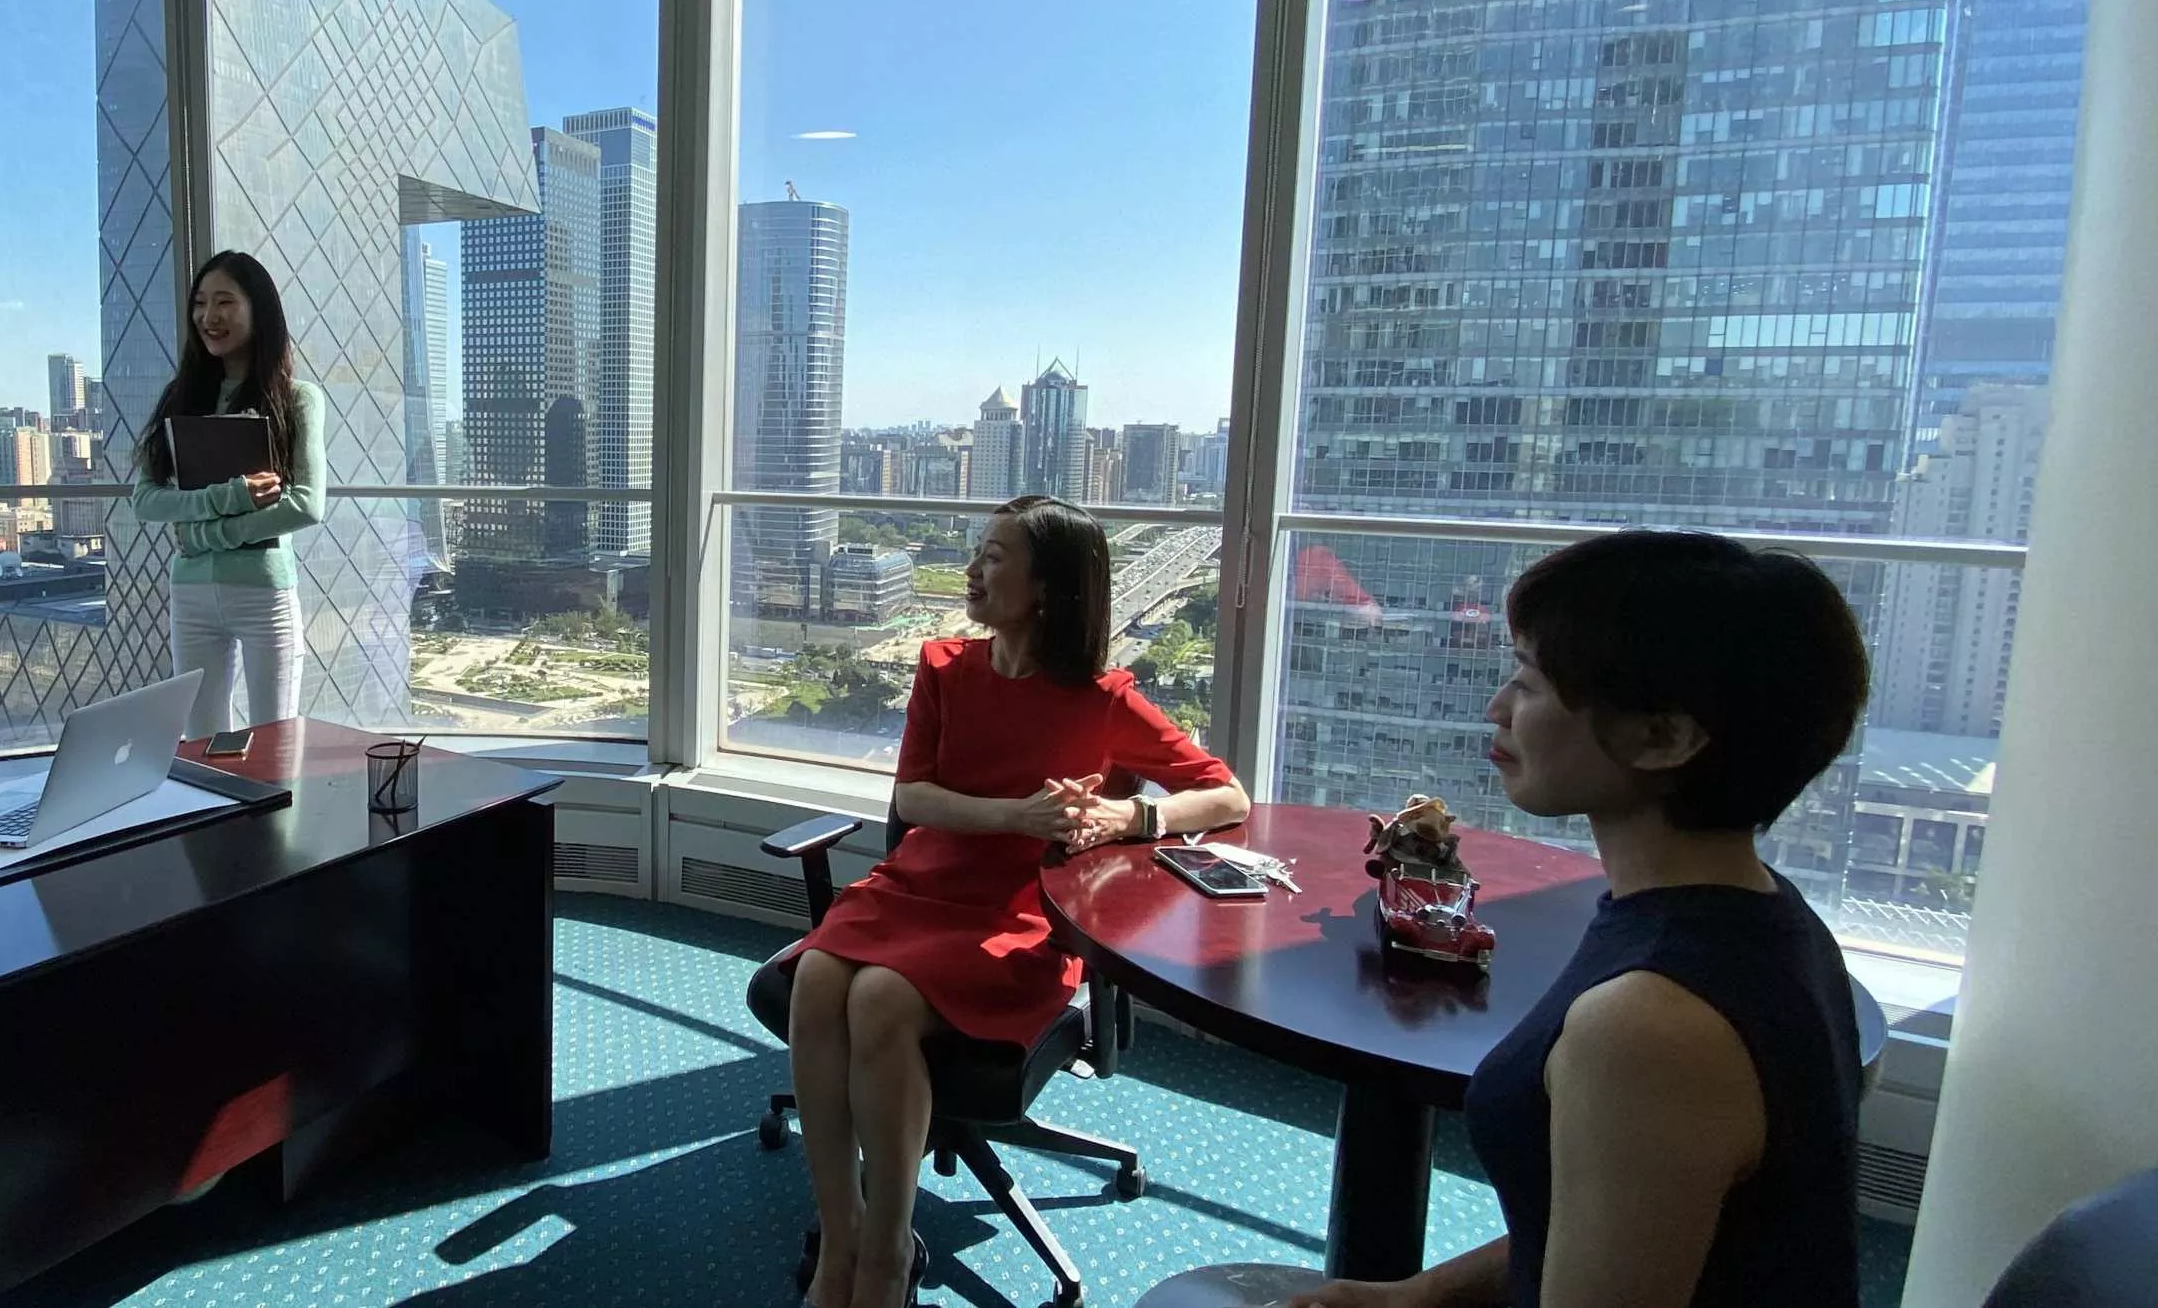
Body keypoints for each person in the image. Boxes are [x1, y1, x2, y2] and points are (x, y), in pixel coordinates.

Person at [1286, 530, 1870, 1308]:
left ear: (1663, 737)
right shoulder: (1767, 918)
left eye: (1529, 683)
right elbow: (1610, 1216)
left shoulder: (1650, 1026)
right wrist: (1416, 1296)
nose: (1497, 708)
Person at [785, 495, 1251, 1308]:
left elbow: (1226, 795)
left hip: (1023, 911)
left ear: (1045, 588)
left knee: (880, 996)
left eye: (994, 557)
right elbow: (914, 798)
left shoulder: (1103, 700)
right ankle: (842, 1238)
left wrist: (1128, 816)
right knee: (818, 979)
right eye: (978, 552)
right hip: (921, 883)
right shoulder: (944, 668)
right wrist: (1018, 815)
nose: (972, 570)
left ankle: (887, 1256)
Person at [130, 250, 327, 738]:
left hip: (264, 594)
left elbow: (306, 504)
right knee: (203, 744)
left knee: (274, 746)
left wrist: (204, 536)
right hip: (191, 596)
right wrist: (231, 496)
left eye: (224, 302)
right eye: (200, 303)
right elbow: (146, 500)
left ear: (259, 309)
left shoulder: (296, 398)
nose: (208, 316)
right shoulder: (182, 395)